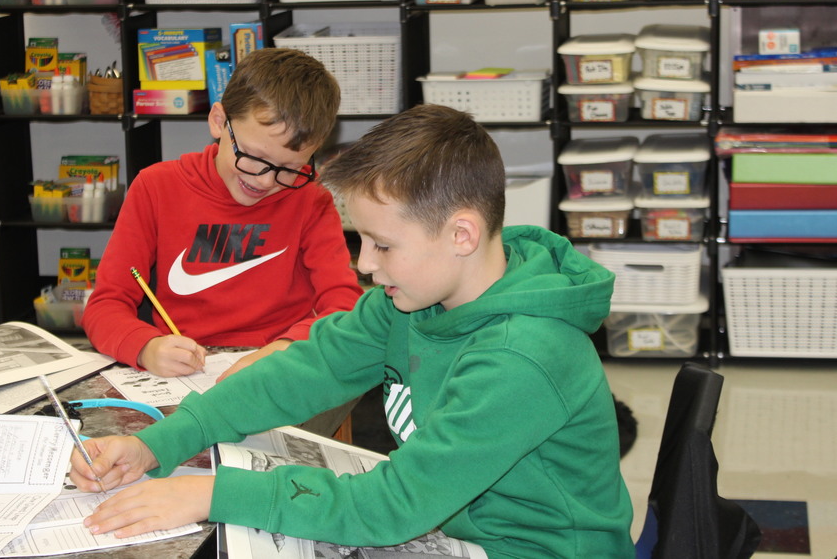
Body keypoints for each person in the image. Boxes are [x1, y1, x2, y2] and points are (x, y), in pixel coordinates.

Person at [69, 104, 635, 558]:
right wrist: (156, 443)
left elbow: (394, 508)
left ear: (461, 234)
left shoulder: (523, 355)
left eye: (383, 245)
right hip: (457, 528)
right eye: (361, 240)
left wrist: (212, 494)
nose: (365, 265)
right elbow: (302, 371)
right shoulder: (411, 299)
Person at [82, 48, 362, 377]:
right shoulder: (156, 188)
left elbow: (344, 303)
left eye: (290, 169)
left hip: (278, 366)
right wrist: (145, 347)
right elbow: (104, 306)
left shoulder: (309, 199)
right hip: (186, 369)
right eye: (254, 158)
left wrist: (290, 347)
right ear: (219, 122)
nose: (265, 180)